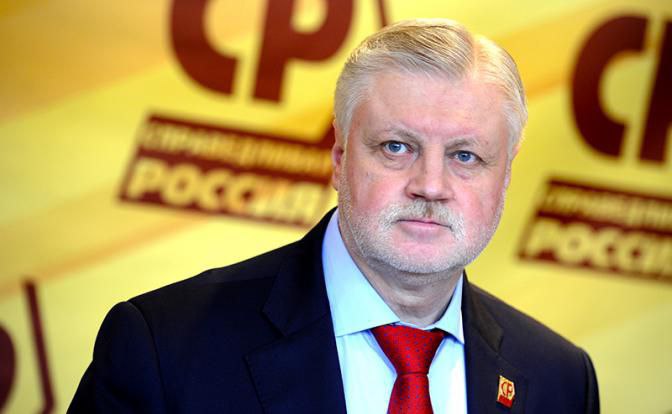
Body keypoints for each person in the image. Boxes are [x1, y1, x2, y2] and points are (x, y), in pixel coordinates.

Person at [69, 18, 599, 413]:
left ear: (504, 178)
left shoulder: (560, 380)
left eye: (466, 156)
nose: (431, 185)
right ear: (340, 158)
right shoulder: (163, 347)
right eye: (396, 147)